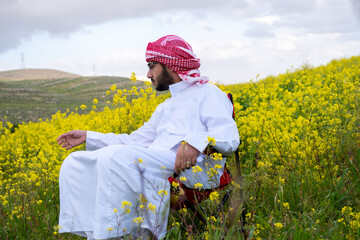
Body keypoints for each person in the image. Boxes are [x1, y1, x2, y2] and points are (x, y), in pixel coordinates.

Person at [57, 35, 240, 240]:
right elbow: (134, 141)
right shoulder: (165, 108)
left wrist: (195, 142)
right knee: (76, 162)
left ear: (171, 65)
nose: (148, 73)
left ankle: (119, 235)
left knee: (116, 159)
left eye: (152, 66)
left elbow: (229, 136)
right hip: (155, 162)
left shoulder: (209, 93)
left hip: (194, 169)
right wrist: (89, 137)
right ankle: (102, 233)